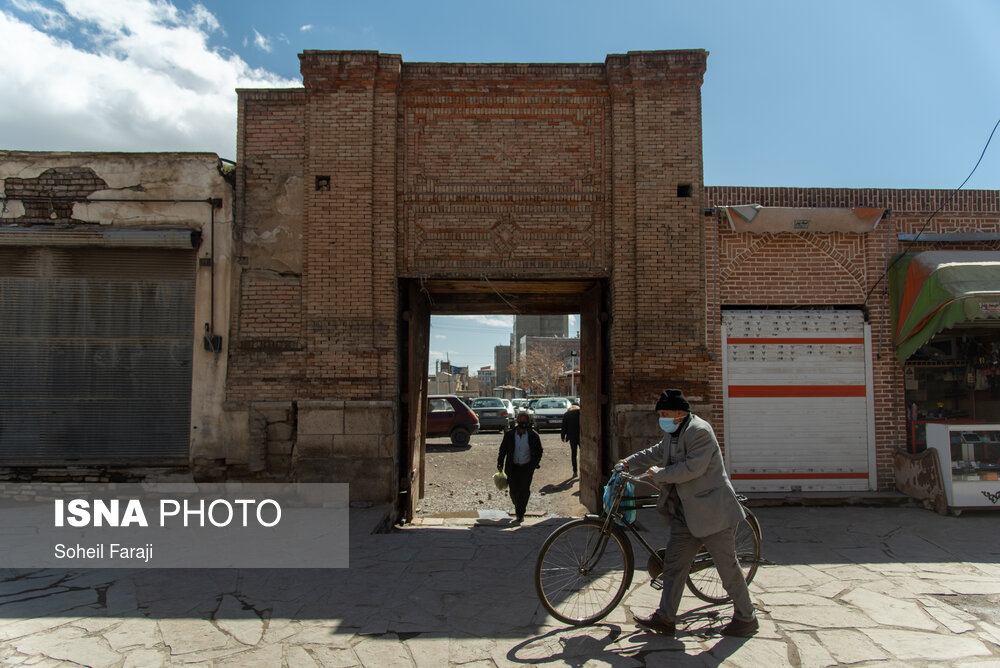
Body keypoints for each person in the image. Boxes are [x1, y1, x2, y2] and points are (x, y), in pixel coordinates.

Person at [620, 389, 758, 638]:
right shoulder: (673, 433)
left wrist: (659, 475)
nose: (661, 417)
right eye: (660, 414)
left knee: (727, 568)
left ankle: (746, 617)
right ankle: (665, 617)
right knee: (674, 565)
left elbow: (692, 468)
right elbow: (656, 452)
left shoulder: (699, 431)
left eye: (665, 413)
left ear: (680, 413)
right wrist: (628, 462)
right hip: (687, 512)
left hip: (713, 512)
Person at [497, 412, 543, 523]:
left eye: (525, 421)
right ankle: (517, 504)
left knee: (524, 490)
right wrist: (500, 463)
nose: (522, 423)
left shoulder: (533, 435)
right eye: (520, 420)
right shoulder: (509, 435)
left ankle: (520, 513)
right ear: (517, 421)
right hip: (512, 467)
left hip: (527, 468)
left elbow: (539, 451)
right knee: (513, 490)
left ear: (528, 422)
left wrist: (534, 464)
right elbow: (503, 450)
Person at [560, 404, 581, 477]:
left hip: (572, 437)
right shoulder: (581, 413)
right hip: (582, 436)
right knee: (583, 454)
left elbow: (564, 426)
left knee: (574, 454)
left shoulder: (567, 414)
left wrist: (562, 436)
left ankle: (575, 471)